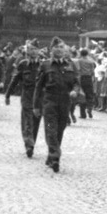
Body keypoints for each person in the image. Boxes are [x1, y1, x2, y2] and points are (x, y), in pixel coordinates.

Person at [33, 37, 78, 173]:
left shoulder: (70, 65)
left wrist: (75, 91)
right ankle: (55, 155)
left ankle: (51, 154)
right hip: (50, 101)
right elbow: (39, 86)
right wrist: (36, 106)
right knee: (51, 129)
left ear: (65, 50)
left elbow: (76, 82)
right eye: (56, 47)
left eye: (61, 47)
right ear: (51, 49)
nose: (59, 49)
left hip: (65, 101)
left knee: (60, 129)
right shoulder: (46, 65)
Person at [6, 40, 42, 157]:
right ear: (27, 50)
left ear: (38, 51)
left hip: (38, 98)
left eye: (35, 49)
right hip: (26, 96)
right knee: (27, 121)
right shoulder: (23, 64)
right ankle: (29, 144)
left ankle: (31, 142)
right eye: (30, 49)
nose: (32, 51)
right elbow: (15, 80)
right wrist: (8, 94)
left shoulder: (43, 65)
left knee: (35, 122)